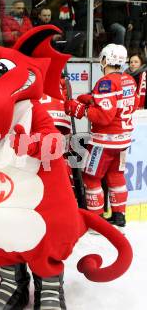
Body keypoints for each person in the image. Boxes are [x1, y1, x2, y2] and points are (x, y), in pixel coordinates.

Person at [65, 44, 138, 231]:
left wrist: (80, 109)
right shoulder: (129, 79)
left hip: (104, 141)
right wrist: (92, 100)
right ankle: (119, 215)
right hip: (123, 140)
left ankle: (96, 222)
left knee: (91, 177)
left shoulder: (105, 83)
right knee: (116, 175)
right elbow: (128, 104)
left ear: (105, 60)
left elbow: (104, 117)